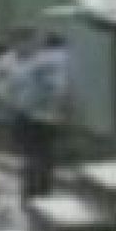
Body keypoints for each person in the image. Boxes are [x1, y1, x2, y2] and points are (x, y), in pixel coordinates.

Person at [0, 28, 43, 207]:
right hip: (18, 112)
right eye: (27, 41)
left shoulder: (40, 59)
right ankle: (27, 187)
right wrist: (3, 93)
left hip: (40, 113)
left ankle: (35, 186)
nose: (30, 45)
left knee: (37, 153)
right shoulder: (8, 60)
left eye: (34, 41)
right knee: (24, 150)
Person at [18, 32, 75, 204]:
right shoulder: (63, 59)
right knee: (46, 153)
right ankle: (43, 192)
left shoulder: (36, 58)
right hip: (47, 116)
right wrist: (62, 113)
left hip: (27, 113)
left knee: (31, 153)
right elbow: (61, 88)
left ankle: (28, 191)